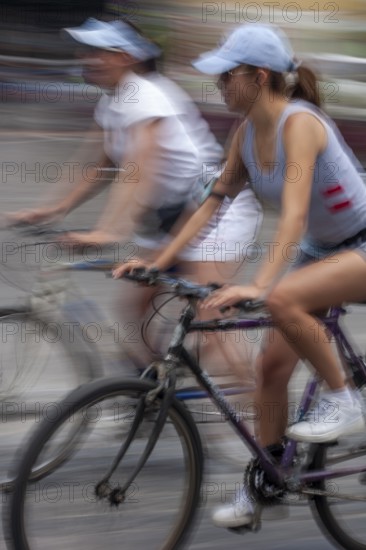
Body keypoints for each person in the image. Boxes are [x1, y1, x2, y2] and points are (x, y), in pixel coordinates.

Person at [113, 22, 366, 528]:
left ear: (259, 75)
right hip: (322, 249)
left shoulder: (300, 124)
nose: (219, 86)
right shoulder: (246, 134)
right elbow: (211, 205)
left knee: (282, 299)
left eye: (227, 76)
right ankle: (267, 480)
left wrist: (258, 283)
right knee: (268, 371)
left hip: (360, 242)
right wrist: (158, 263)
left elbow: (293, 216)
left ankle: (345, 399)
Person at [9, 19, 262, 378]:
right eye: (85, 50)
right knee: (134, 314)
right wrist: (51, 210)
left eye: (98, 51)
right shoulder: (111, 101)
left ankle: (264, 415)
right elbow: (96, 167)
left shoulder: (146, 95)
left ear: (124, 57)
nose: (87, 57)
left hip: (215, 214)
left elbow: (140, 169)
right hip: (172, 219)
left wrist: (110, 231)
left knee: (210, 322)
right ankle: (156, 396)